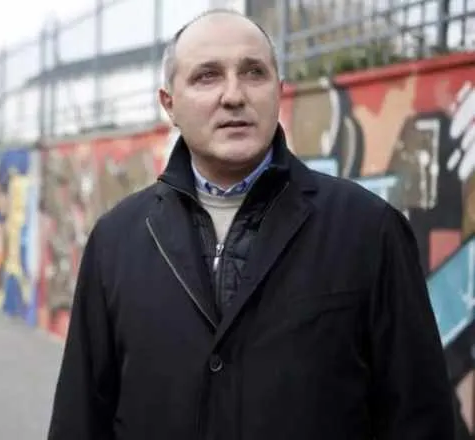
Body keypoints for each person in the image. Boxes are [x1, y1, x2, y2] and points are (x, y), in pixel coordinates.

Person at [47, 9, 455, 440]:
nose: (233, 95)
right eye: (207, 76)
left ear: (279, 91)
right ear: (169, 104)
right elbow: (81, 415)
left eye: (253, 73)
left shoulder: (369, 231)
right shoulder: (116, 241)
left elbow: (419, 417)